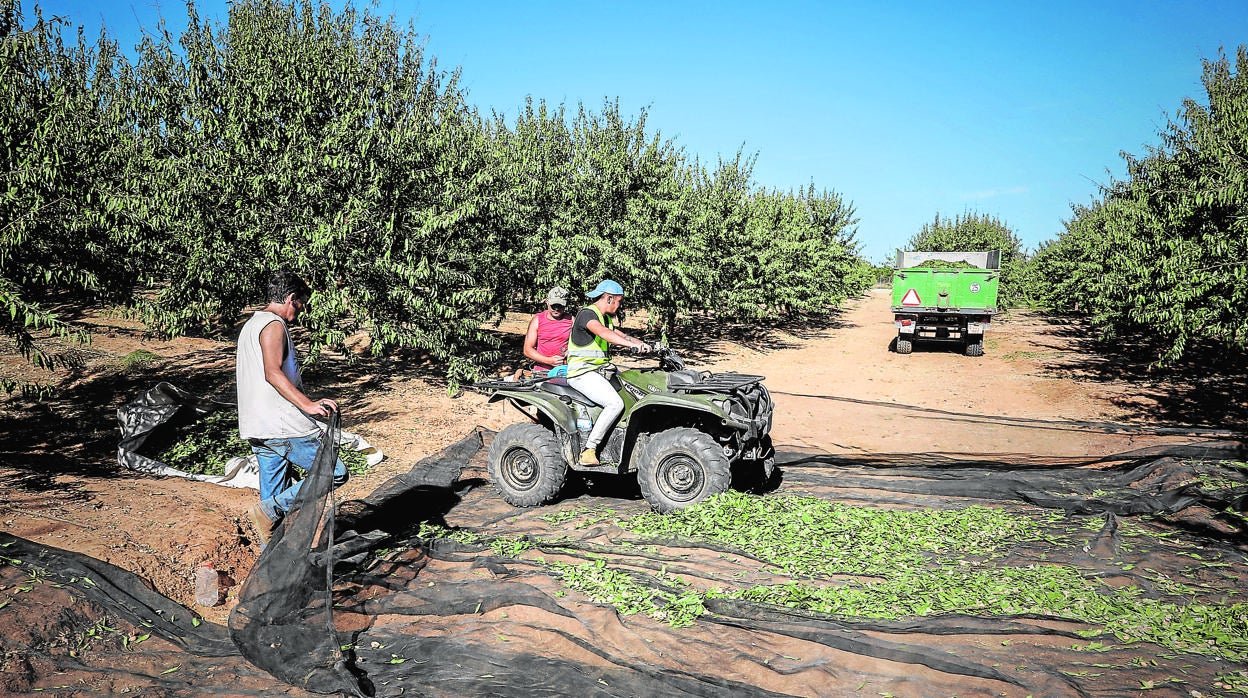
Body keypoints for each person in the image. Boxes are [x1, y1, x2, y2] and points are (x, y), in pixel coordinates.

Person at [236, 271, 348, 544]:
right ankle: (270, 510)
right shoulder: (274, 325)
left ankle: (271, 571)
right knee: (334, 472)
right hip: (282, 425)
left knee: (270, 513)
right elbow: (272, 373)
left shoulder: (252, 324)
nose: (300, 311)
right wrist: (308, 405)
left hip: (258, 427)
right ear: (291, 298)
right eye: (301, 304)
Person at [566, 279, 651, 465]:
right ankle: (589, 449)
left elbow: (619, 334)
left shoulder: (603, 318)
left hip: (600, 371)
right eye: (619, 301)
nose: (620, 306)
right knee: (614, 403)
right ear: (610, 298)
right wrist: (631, 346)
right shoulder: (587, 315)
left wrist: (643, 344)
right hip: (582, 373)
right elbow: (604, 334)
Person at [522, 286, 573, 378]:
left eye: (560, 305)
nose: (556, 309)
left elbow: (578, 344)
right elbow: (527, 350)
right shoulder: (538, 320)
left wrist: (571, 351)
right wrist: (549, 360)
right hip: (542, 372)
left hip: (564, 371)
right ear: (547, 302)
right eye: (554, 305)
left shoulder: (571, 320)